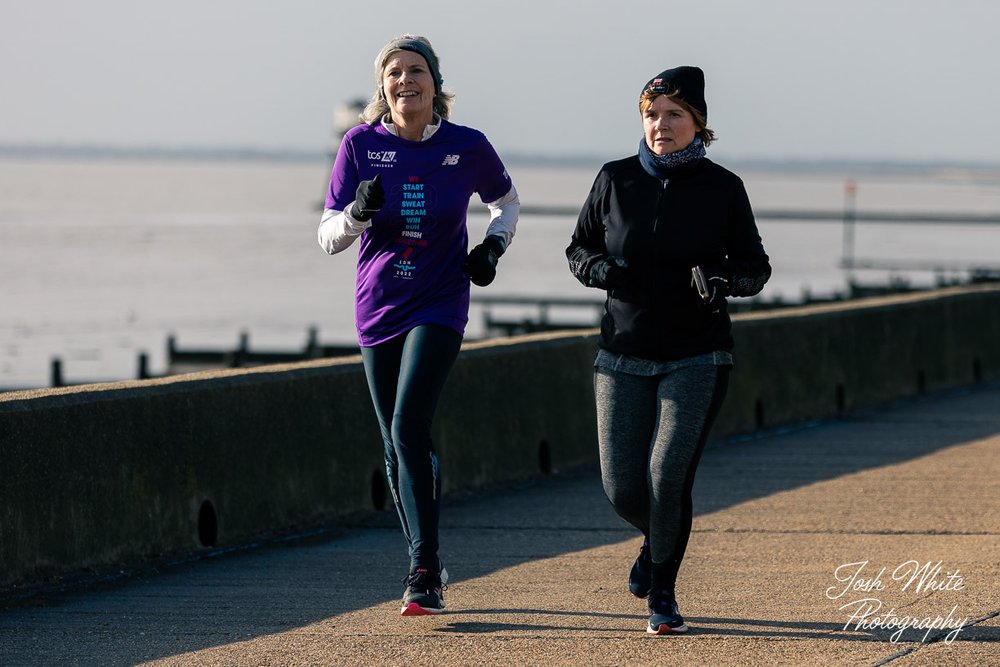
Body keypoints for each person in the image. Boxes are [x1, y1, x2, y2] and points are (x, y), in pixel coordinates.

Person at [318, 34, 519, 616]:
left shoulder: (467, 145)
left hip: (440, 300)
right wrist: (357, 213)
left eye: (416, 71)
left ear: (435, 82)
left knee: (410, 423)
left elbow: (505, 201)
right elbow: (329, 237)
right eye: (395, 73)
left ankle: (424, 569)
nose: (406, 81)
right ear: (383, 88)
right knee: (393, 440)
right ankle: (422, 553)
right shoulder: (359, 145)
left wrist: (491, 249)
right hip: (378, 306)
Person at [565, 65, 770, 635]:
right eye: (651, 114)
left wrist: (724, 280)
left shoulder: (723, 188)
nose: (661, 125)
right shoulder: (615, 178)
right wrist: (600, 268)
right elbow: (578, 247)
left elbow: (756, 267)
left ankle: (663, 592)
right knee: (622, 486)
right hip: (622, 351)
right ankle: (657, 539)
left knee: (666, 476)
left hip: (697, 353)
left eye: (674, 115)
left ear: (698, 124)